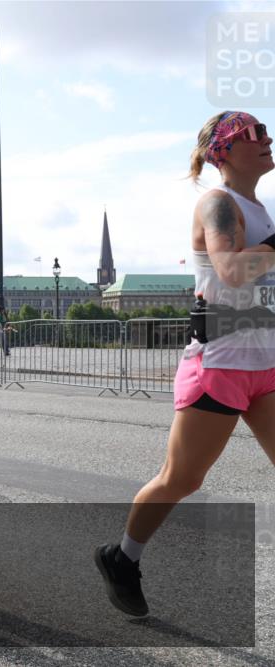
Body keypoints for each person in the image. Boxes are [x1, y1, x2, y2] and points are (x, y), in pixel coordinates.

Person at [96, 111, 275, 617]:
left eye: (266, 131)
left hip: (266, 363)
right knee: (181, 479)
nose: (267, 139)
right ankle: (122, 557)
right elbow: (233, 270)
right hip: (218, 363)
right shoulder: (217, 203)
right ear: (223, 151)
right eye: (254, 134)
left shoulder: (264, 210)